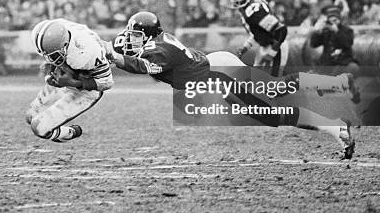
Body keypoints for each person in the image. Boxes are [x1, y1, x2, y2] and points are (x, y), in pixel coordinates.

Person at [107, 11, 356, 160]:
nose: (131, 41)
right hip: (215, 69)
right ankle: (336, 101)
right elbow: (124, 48)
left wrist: (115, 57)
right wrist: (106, 47)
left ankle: (336, 116)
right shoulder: (155, 41)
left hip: (218, 73)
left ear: (149, 35)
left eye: (136, 36)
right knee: (274, 100)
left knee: (273, 107)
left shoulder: (159, 49)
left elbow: (141, 66)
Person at [25, 19, 114, 142]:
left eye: (51, 55)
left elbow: (107, 82)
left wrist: (73, 82)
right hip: (67, 75)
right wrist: (52, 68)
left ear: (64, 47)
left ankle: (72, 132)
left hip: (86, 91)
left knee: (39, 128)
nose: (47, 57)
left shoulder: (86, 53)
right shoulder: (57, 30)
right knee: (30, 116)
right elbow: (53, 53)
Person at [231, 0, 289, 77]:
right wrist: (245, 47)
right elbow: (258, 33)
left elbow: (281, 30)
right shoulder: (247, 10)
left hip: (277, 45)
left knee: (273, 84)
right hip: (265, 46)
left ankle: (312, 80)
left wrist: (273, 52)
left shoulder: (256, 11)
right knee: (256, 80)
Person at [310, 5, 360, 77]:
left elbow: (347, 44)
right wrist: (318, 32)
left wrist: (337, 31)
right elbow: (313, 44)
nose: (333, 23)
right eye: (331, 20)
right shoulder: (326, 31)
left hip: (343, 61)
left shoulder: (347, 30)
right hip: (328, 62)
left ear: (339, 19)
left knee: (353, 67)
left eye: (335, 20)